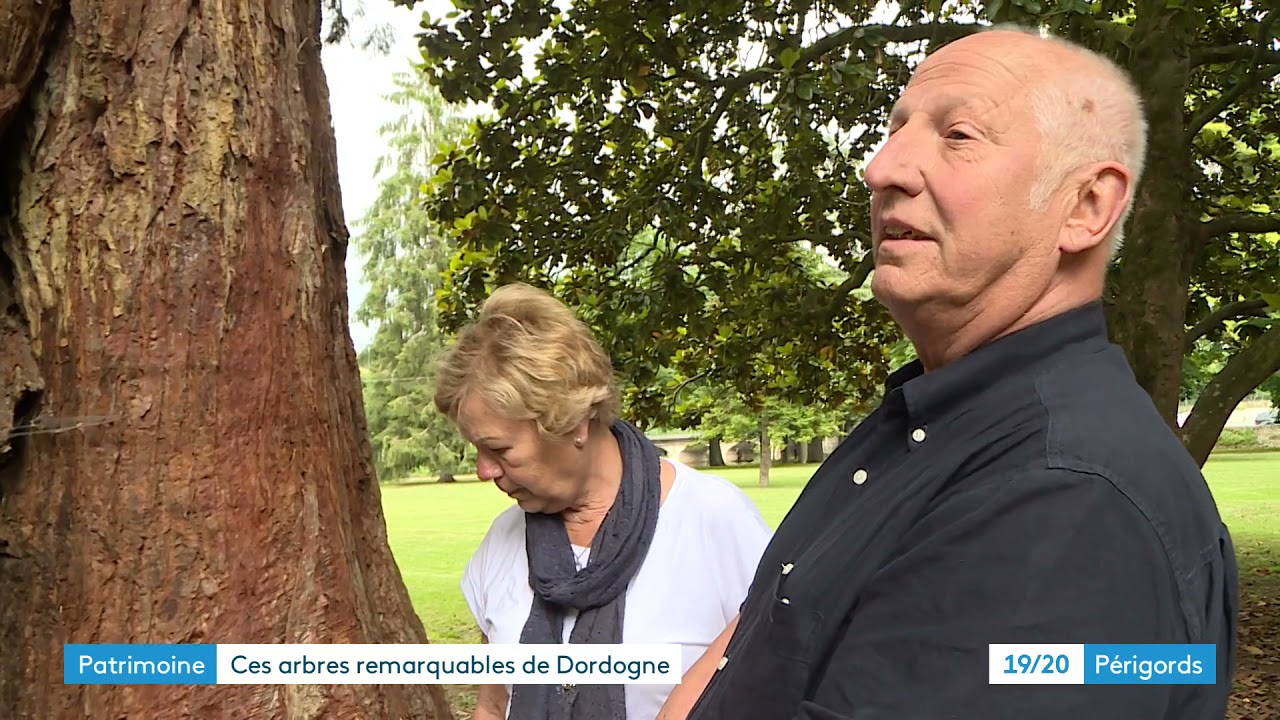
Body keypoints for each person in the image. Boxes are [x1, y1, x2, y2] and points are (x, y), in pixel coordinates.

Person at [661, 26, 1238, 720]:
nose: (882, 169)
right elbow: (769, 632)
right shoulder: (928, 428)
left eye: (958, 135)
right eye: (895, 131)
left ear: (1084, 207)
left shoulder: (1063, 501)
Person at [433, 282, 774, 720]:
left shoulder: (713, 520)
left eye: (499, 450)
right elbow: (494, 705)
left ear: (573, 421)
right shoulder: (503, 540)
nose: (484, 471)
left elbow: (778, 682)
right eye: (476, 451)